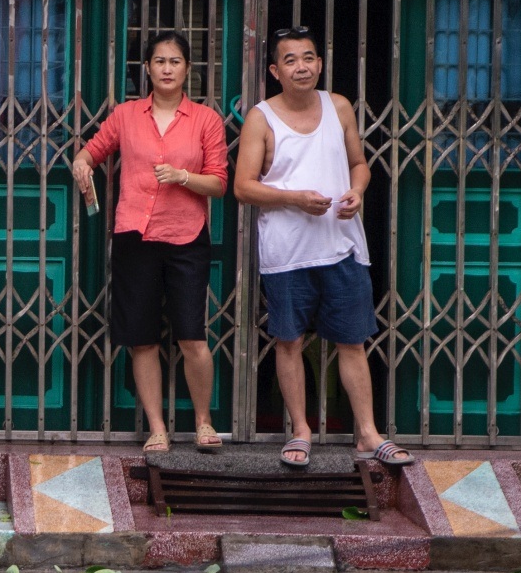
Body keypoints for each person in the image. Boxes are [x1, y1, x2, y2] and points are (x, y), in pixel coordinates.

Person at [233, 26, 414, 471]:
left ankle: (368, 434)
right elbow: (242, 187)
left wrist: (356, 190)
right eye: (291, 60)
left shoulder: (338, 107)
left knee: (353, 341)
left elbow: (359, 163)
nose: (302, 67)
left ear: (320, 63)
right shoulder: (261, 117)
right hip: (287, 252)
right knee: (289, 341)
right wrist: (294, 198)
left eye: (309, 57)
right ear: (275, 70)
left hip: (342, 247)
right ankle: (300, 431)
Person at [73, 30, 230, 453]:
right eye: (159, 61)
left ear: (187, 70)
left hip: (185, 236)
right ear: (146, 68)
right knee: (141, 337)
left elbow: (218, 183)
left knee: (191, 335)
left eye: (174, 62)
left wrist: (183, 177)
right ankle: (157, 428)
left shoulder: (205, 120)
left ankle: (203, 423)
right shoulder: (126, 115)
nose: (166, 69)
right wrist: (82, 163)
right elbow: (94, 150)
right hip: (135, 237)